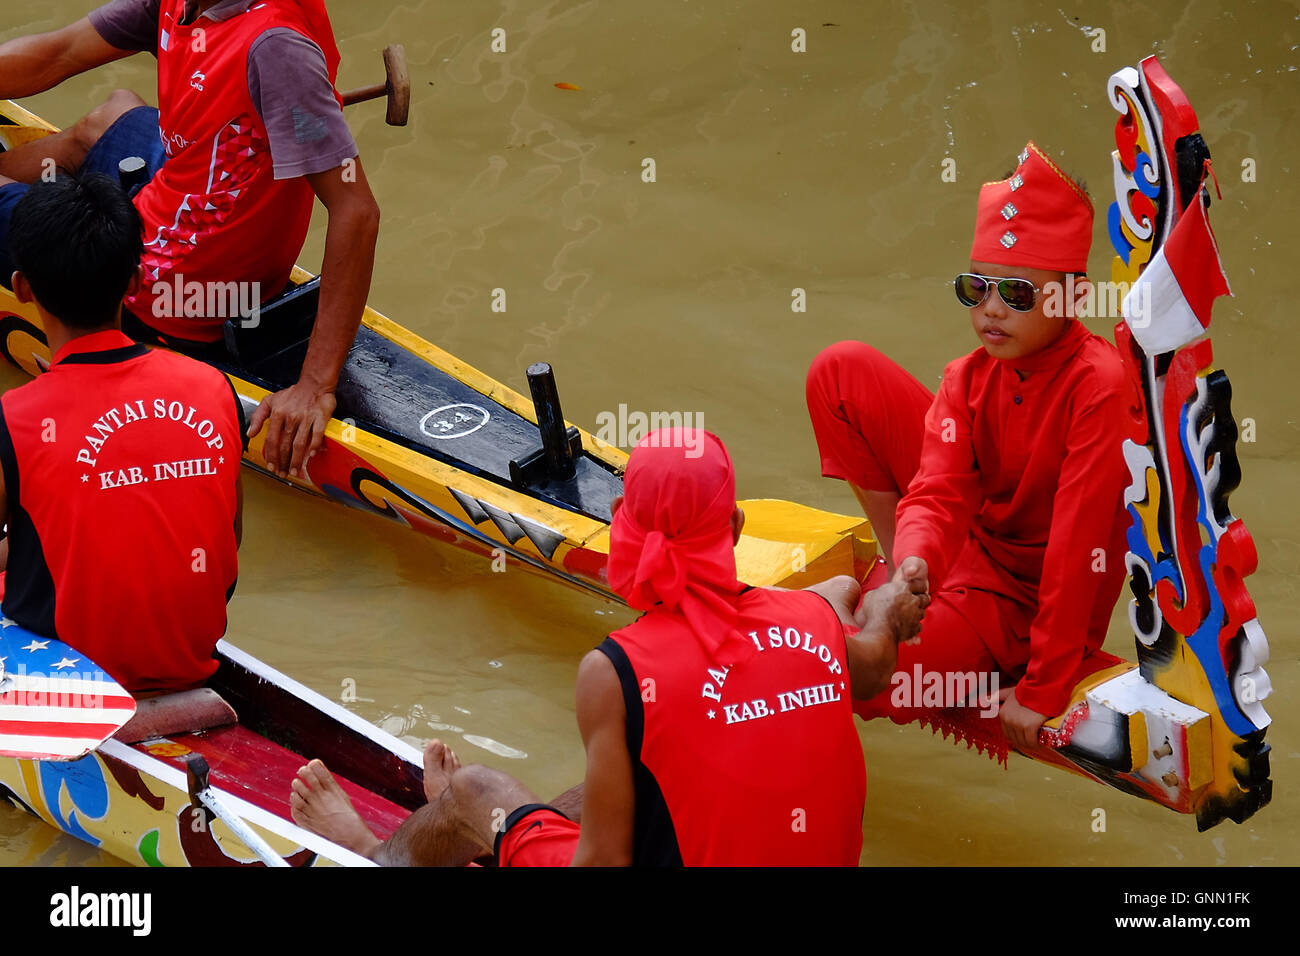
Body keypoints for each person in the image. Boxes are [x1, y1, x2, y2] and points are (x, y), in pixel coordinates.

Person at [288, 428, 929, 865]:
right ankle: (492, 827)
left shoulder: (614, 668)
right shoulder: (817, 621)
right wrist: (889, 599)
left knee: (478, 792)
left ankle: (377, 851)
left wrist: (505, 833)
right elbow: (870, 659)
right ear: (734, 529)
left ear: (621, 515)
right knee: (627, 775)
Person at [805, 141, 1137, 751]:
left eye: (1016, 294)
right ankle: (898, 587)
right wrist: (913, 564)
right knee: (840, 369)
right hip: (966, 550)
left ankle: (886, 616)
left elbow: (1077, 547)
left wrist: (1043, 687)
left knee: (874, 685)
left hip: (1022, 603)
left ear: (1075, 298)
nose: (990, 310)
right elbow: (938, 493)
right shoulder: (969, 375)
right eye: (975, 288)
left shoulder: (1101, 387)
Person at [0, 0, 380, 479]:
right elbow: (59, 52)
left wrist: (314, 384)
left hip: (174, 282)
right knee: (113, 113)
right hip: (183, 194)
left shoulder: (276, 49)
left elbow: (357, 212)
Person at [0, 171, 244, 693]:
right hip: (192, 657)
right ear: (134, 282)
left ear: (21, 288)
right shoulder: (212, 386)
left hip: (76, 672)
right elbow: (228, 545)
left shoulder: (15, 416)